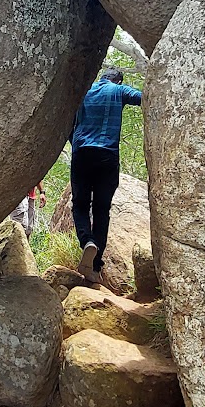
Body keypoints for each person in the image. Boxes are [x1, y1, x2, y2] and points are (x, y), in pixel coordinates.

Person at [69, 67, 142, 283]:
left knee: (80, 205)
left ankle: (87, 241)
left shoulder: (84, 91)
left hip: (82, 153)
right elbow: (142, 98)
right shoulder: (118, 91)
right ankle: (95, 266)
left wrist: (76, 145)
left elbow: (69, 124)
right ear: (118, 81)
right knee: (102, 210)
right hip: (107, 155)